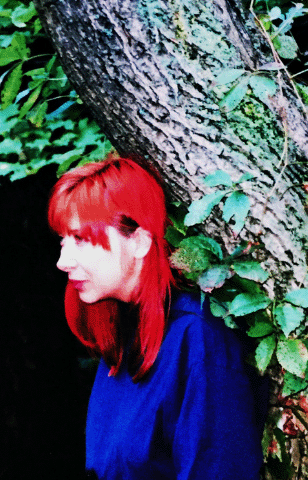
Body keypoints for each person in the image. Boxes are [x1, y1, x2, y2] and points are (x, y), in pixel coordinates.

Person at [48, 155, 266, 480]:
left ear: (138, 241)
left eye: (81, 239)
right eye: (64, 240)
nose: (63, 261)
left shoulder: (199, 340)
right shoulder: (124, 334)